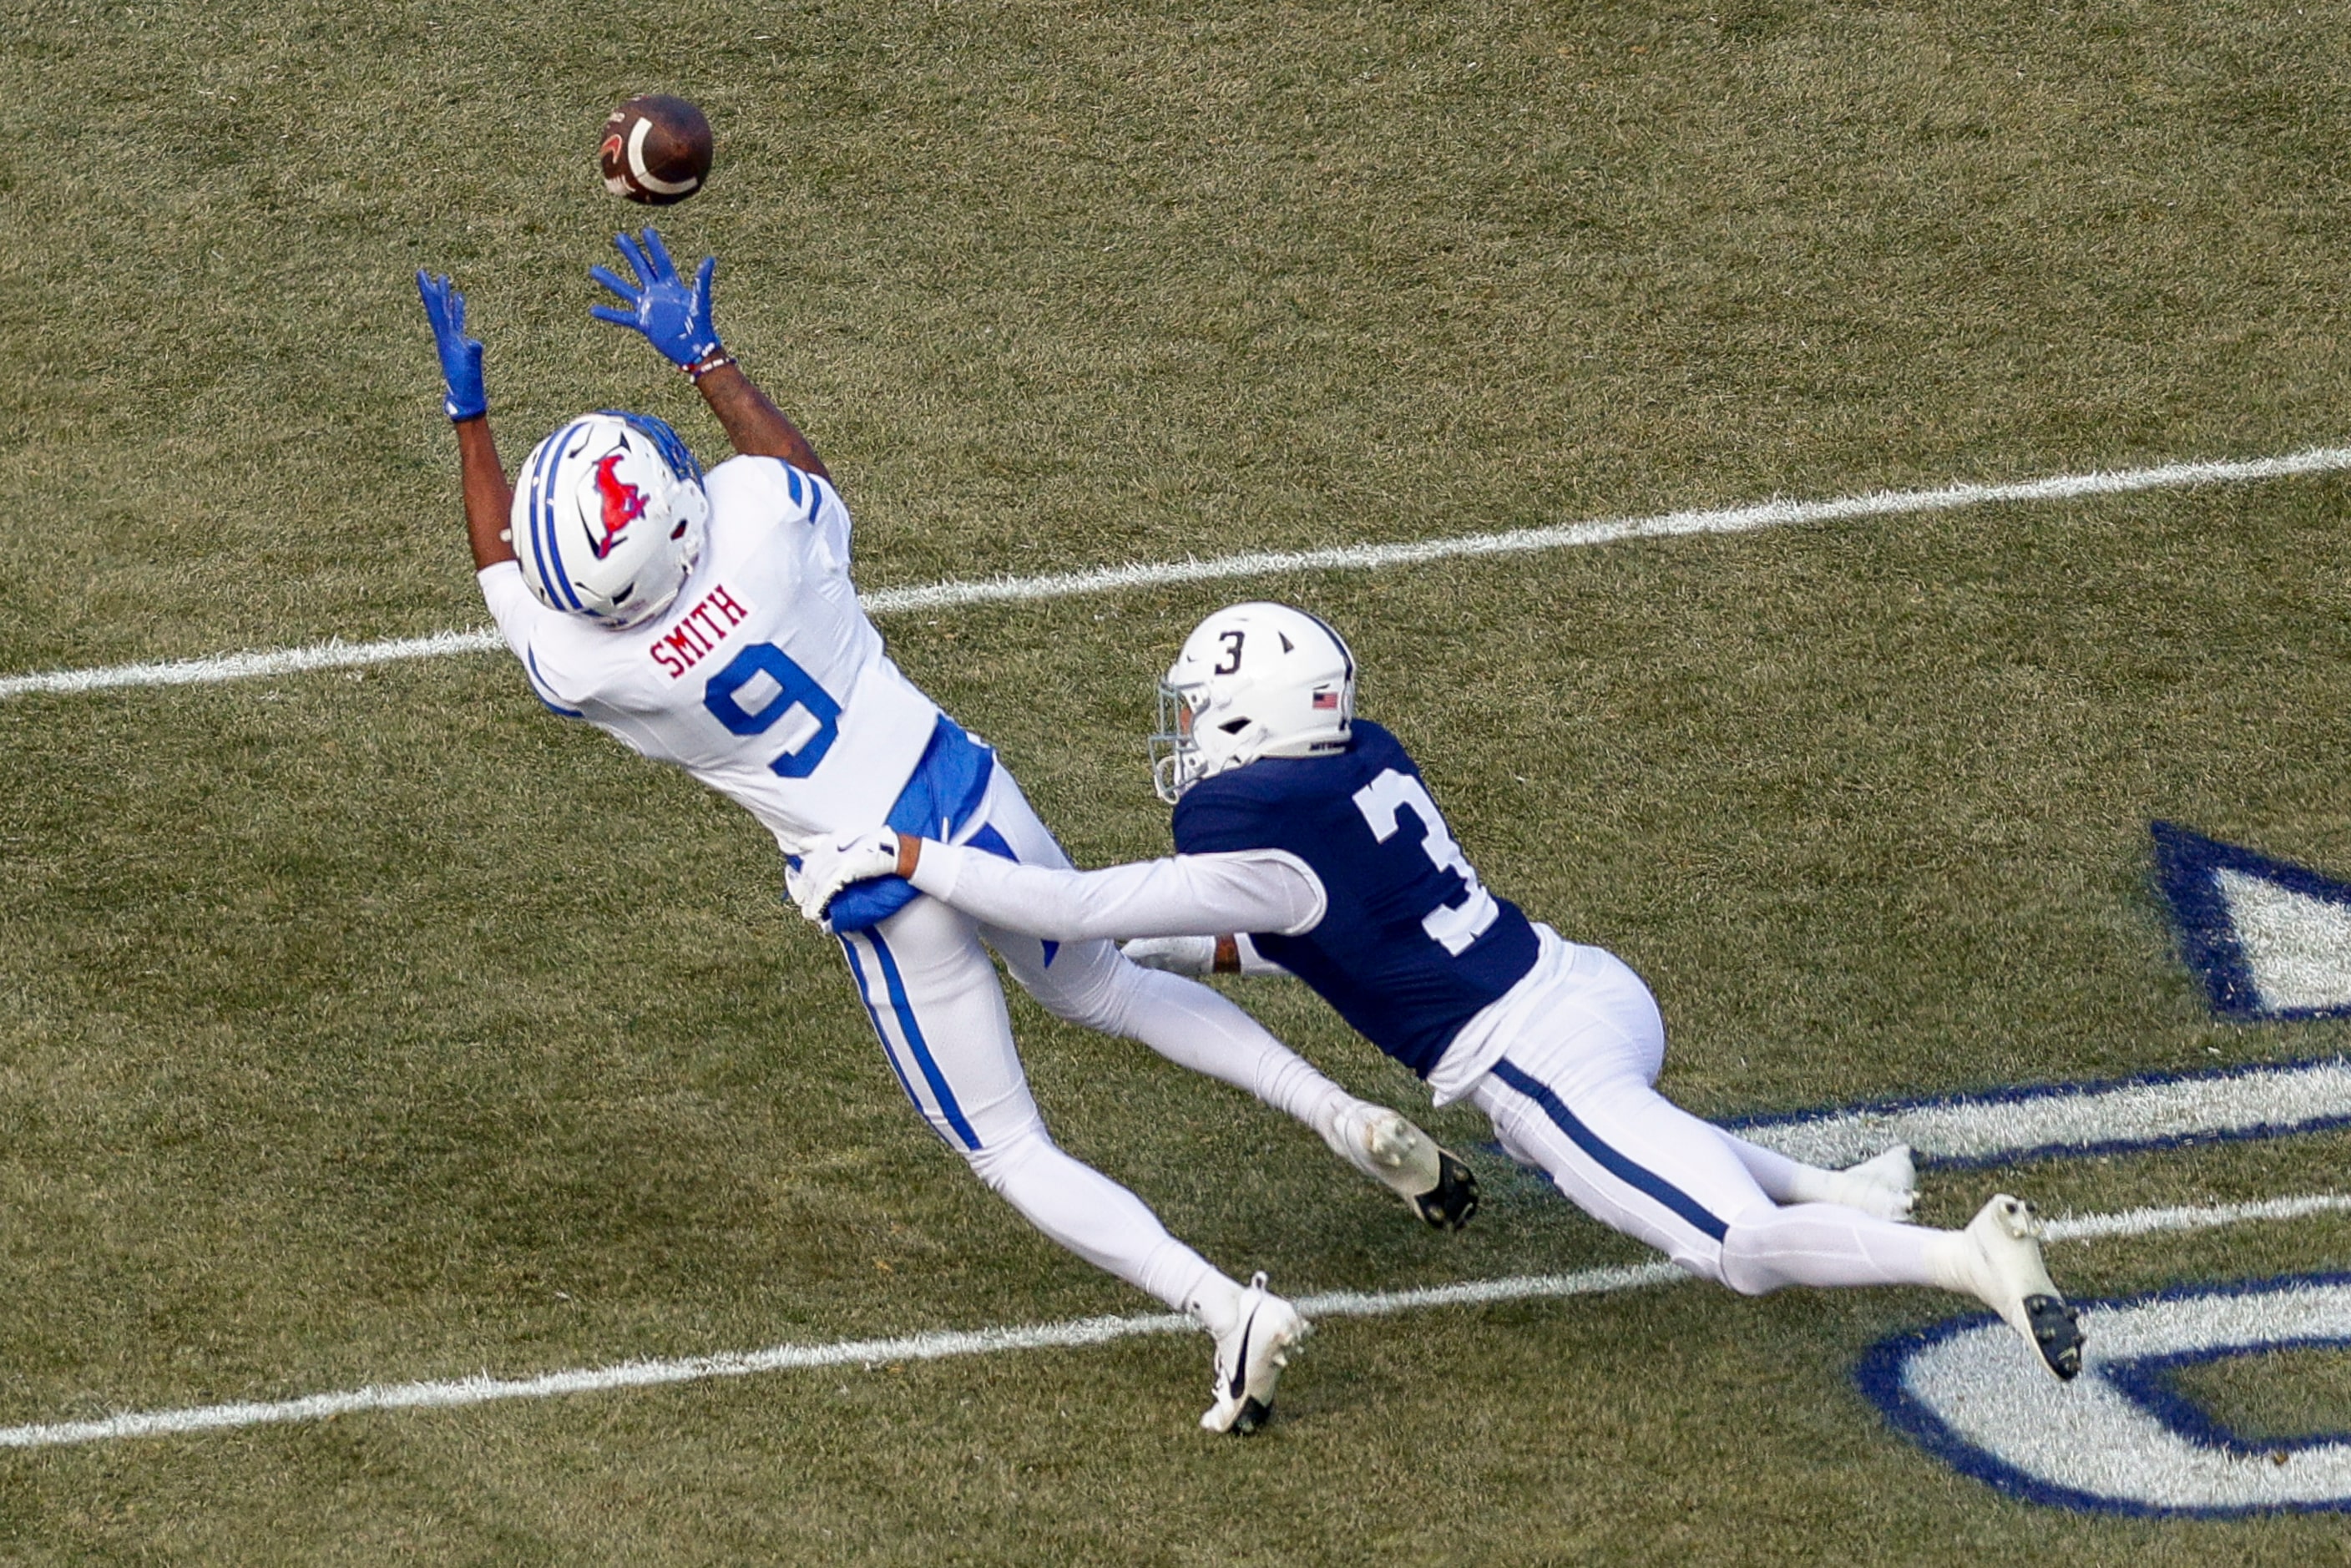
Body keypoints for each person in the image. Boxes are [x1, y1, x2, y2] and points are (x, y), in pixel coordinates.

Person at [413, 236, 1481, 1434]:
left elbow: (500, 564)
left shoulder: (592, 664)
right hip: (966, 791)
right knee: (1113, 990)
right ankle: (1342, 1116)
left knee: (1011, 1149)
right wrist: (704, 358)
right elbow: (797, 470)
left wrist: (469, 413)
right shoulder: (762, 528)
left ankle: (1221, 1303)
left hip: (880, 884)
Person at [794, 600, 2090, 1382]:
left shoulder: (1259, 841)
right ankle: (1842, 1184)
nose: (1186, 739)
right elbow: (1289, 939)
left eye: (1200, 717)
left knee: (1735, 1253)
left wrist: (904, 856)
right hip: (1586, 983)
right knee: (1655, 1139)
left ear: (1247, 725)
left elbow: (1081, 907)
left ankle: (1963, 1257)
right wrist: (1148, 958)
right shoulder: (1361, 761)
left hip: (1529, 1058)